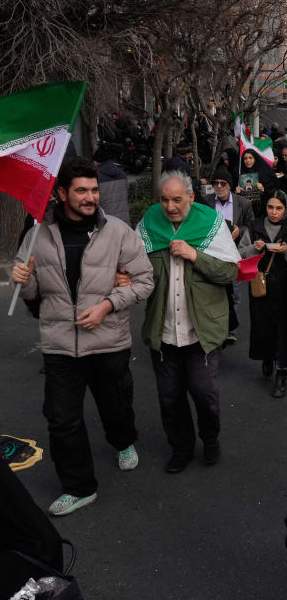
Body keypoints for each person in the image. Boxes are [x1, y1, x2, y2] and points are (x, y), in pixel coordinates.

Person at [12, 158, 153, 516]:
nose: (91, 197)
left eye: (94, 190)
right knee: (62, 420)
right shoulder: (36, 236)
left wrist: (107, 305)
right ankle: (79, 487)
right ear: (61, 194)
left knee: (116, 406)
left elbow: (144, 281)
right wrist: (23, 278)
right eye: (82, 191)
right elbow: (32, 296)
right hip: (60, 344)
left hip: (108, 342)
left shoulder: (119, 232)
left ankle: (123, 441)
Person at [139, 170, 241, 473]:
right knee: (169, 398)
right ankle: (180, 448)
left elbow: (230, 272)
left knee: (203, 393)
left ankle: (210, 439)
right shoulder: (148, 224)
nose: (169, 207)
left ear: (192, 197)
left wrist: (194, 255)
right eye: (164, 200)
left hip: (202, 331)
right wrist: (125, 275)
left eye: (177, 200)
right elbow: (134, 266)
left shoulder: (210, 223)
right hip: (164, 331)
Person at [241, 191, 287, 398]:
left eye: (279, 208)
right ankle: (267, 357)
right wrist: (255, 250)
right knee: (262, 326)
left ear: (286, 209)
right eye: (270, 207)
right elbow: (241, 253)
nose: (274, 212)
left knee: (285, 329)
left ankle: (282, 372)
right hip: (260, 285)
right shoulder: (255, 226)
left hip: (286, 287)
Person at [202, 164, 253, 345]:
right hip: (213, 254)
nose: (219, 187)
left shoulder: (243, 203)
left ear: (229, 185)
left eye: (223, 183)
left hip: (234, 253)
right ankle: (215, 327)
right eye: (215, 183)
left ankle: (230, 328)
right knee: (213, 291)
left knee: (234, 292)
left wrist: (240, 230)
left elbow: (251, 225)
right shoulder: (207, 202)